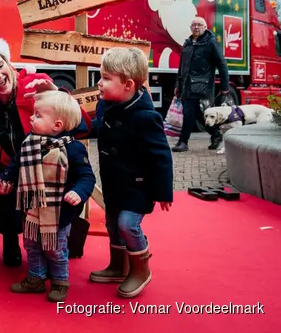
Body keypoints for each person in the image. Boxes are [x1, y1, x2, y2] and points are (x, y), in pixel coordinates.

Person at [0, 30, 91, 268]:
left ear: (9, 64)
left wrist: (55, 95)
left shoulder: (35, 83)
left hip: (51, 177)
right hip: (9, 177)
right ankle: (10, 237)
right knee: (5, 217)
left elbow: (81, 127)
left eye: (0, 66)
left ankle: (57, 244)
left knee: (59, 216)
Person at [0, 90, 94, 302]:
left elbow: (87, 177)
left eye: (37, 115)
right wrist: (2, 179)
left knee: (55, 248)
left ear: (57, 125)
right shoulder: (30, 142)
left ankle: (60, 281)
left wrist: (77, 193)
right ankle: (36, 277)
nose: (31, 117)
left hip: (58, 213)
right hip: (31, 208)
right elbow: (15, 164)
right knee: (32, 245)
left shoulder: (73, 150)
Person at [86, 47, 173, 298]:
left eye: (105, 78)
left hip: (138, 186)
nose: (99, 83)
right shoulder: (106, 105)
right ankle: (118, 265)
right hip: (114, 182)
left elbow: (161, 156)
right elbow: (95, 128)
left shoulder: (146, 117)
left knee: (127, 224)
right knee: (113, 224)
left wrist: (163, 192)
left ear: (128, 85)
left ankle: (141, 269)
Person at [172, 16, 230, 152]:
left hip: (202, 86)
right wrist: (178, 85)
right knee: (198, 114)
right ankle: (216, 135)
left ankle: (183, 142)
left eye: (199, 25)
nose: (196, 27)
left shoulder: (211, 43)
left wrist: (225, 87)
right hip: (187, 85)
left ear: (205, 27)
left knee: (188, 112)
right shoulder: (187, 43)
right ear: (190, 28)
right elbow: (181, 67)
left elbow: (222, 64)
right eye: (194, 25)